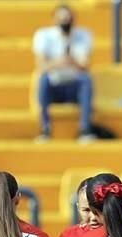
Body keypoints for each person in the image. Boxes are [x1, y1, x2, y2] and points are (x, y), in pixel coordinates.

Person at [32, 4, 94, 142]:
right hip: (54, 84)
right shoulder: (43, 35)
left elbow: (85, 66)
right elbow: (41, 66)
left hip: (74, 84)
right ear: (53, 19)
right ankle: (45, 128)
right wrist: (58, 62)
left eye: (67, 17)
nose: (65, 20)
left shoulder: (83, 35)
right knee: (43, 79)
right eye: (61, 17)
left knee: (86, 80)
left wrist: (72, 61)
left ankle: (84, 129)